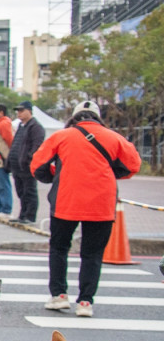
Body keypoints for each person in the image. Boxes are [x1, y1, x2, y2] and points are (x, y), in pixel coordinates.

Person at [32, 100, 141, 318]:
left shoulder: (62, 136)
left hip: (66, 202)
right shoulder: (114, 137)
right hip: (101, 204)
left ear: (74, 117)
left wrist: (55, 175)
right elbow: (133, 165)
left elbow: (37, 165)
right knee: (92, 254)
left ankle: (59, 296)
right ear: (97, 117)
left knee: (59, 248)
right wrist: (111, 173)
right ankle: (85, 302)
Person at [8, 100, 44, 225]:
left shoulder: (36, 127)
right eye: (18, 111)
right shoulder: (21, 126)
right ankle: (23, 215)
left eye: (21, 110)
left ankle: (30, 216)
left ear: (29, 111)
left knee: (29, 191)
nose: (19, 113)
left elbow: (37, 146)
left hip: (26, 166)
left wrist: (28, 160)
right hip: (17, 166)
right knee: (21, 192)